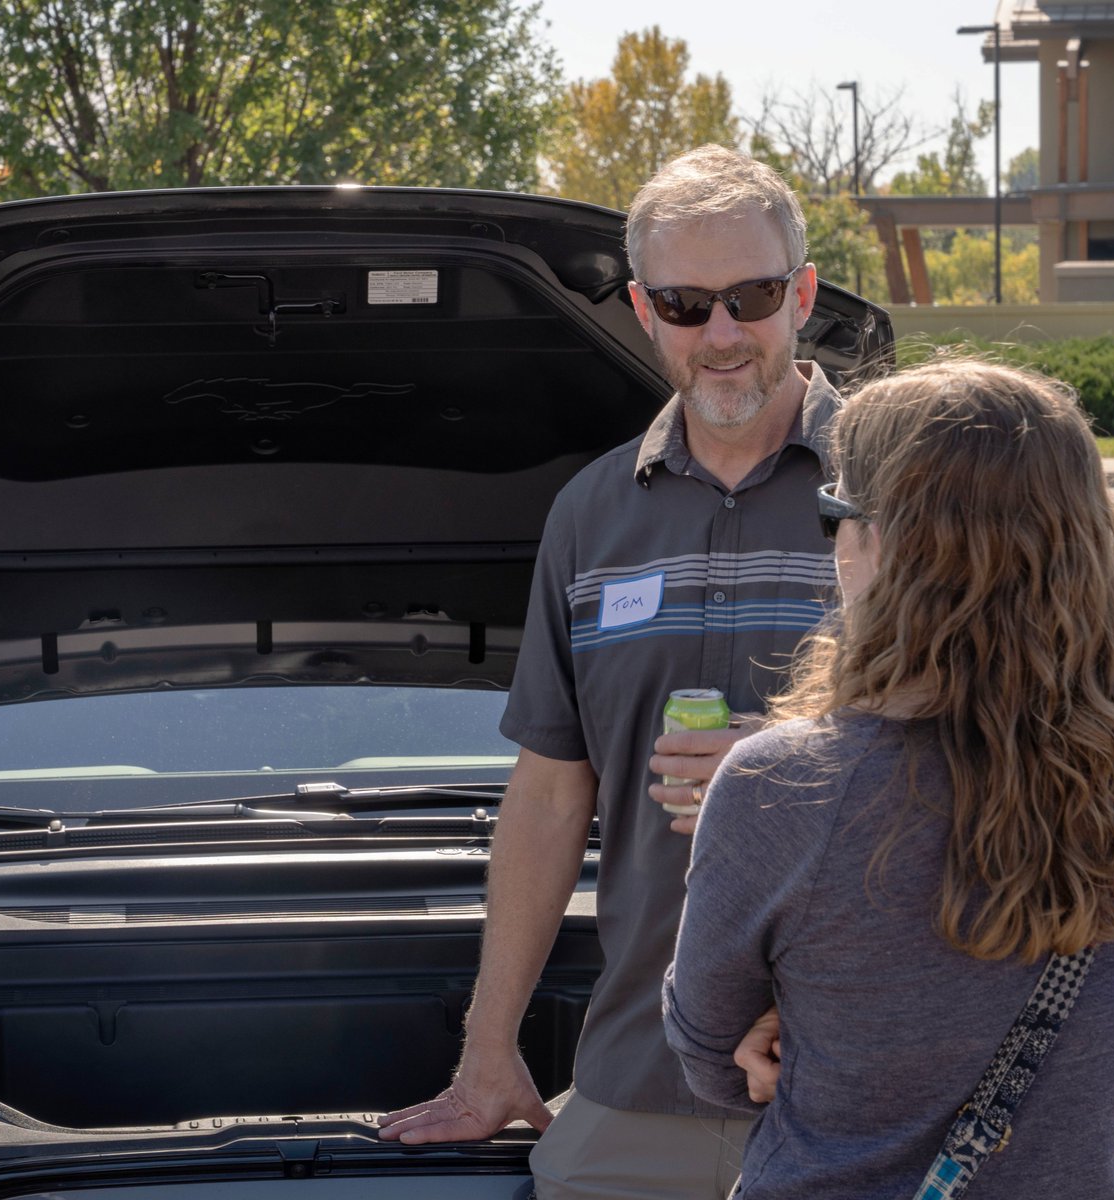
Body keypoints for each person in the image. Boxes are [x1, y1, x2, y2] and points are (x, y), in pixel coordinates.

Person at [377, 143, 841, 1198]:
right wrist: (490, 1051)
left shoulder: (903, 491)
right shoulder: (591, 515)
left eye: (753, 296)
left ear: (802, 293)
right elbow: (548, 797)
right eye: (685, 305)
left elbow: (998, 755)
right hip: (644, 1078)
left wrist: (791, 773)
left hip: (867, 1085)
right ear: (642, 309)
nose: (720, 335)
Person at [664, 358, 1114, 1199]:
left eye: (833, 515)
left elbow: (712, 1063)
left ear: (883, 542)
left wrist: (800, 1021)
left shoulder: (783, 787)